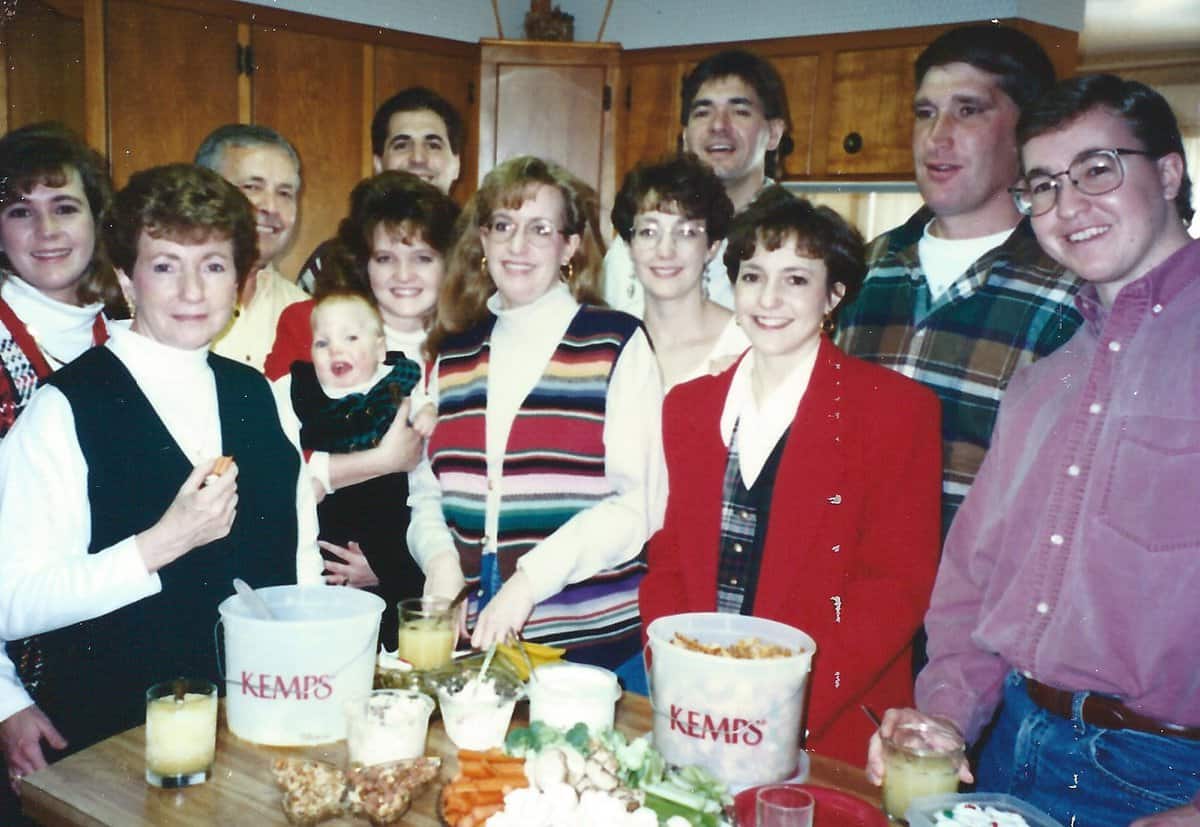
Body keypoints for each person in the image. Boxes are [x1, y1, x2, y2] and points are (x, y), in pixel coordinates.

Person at [867, 75, 1200, 827]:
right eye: (1044, 184)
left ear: (1170, 174)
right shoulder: (1043, 383)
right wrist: (944, 716)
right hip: (1010, 751)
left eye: (1097, 170)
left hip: (1166, 781)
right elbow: (975, 587)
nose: (1067, 205)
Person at [0, 164, 321, 785]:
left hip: (257, 734)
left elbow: (298, 558)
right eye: (166, 266)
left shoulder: (255, 392)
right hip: (118, 746)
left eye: (214, 266)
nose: (192, 292)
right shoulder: (64, 409)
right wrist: (160, 545)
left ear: (240, 284)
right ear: (126, 279)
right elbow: (11, 604)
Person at [640, 190, 941, 766]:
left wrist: (780, 707)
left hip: (827, 725)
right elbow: (671, 559)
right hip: (698, 714)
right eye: (753, 276)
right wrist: (678, 675)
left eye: (796, 280)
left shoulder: (895, 410)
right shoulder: (688, 407)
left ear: (834, 295)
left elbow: (895, 588)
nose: (769, 299)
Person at [411, 156, 667, 673]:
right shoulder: (452, 353)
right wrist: (440, 565)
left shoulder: (615, 341)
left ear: (570, 245)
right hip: (472, 644)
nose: (518, 245)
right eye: (502, 226)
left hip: (593, 647)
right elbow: (426, 492)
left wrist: (528, 582)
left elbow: (640, 504)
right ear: (482, 242)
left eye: (540, 229)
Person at [835, 24, 1083, 538]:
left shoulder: (1072, 293)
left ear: (1026, 131)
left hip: (979, 605)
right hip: (844, 595)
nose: (937, 135)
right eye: (925, 113)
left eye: (968, 111)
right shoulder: (861, 269)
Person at [0, 122, 121, 819]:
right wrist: (6, 702)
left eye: (64, 206)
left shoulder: (128, 328)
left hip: (105, 666)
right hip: (21, 683)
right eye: (20, 209)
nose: (45, 229)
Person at [265, 172, 459, 596]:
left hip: (428, 566)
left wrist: (392, 563)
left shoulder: (469, 345)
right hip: (330, 555)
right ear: (363, 263)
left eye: (423, 258)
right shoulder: (312, 325)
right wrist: (381, 461)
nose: (403, 274)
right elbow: (273, 445)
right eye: (385, 258)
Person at [275, 290, 434, 649]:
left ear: (379, 349)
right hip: (326, 543)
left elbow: (426, 408)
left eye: (351, 338)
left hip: (389, 539)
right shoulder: (295, 389)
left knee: (391, 629)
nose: (336, 349)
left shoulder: (398, 382)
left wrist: (427, 413)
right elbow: (278, 451)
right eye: (322, 342)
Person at [604, 49, 789, 316]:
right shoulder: (636, 239)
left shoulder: (798, 237)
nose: (718, 125)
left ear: (773, 134)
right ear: (685, 136)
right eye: (703, 112)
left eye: (739, 111)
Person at [297, 87, 465, 293]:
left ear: (456, 164)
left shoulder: (484, 256)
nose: (418, 158)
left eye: (433, 145)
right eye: (402, 145)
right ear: (378, 164)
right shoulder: (331, 262)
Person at [610, 153, 748, 390]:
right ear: (628, 246)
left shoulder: (746, 344)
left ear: (711, 247)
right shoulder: (609, 343)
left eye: (685, 233)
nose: (665, 251)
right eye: (648, 232)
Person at [196, 124, 309, 371]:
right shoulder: (165, 301)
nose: (271, 207)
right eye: (252, 187)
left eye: (284, 193)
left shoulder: (307, 315)